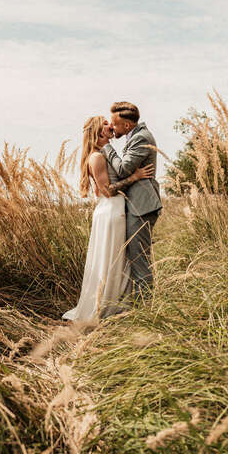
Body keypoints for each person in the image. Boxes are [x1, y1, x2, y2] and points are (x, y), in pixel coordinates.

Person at [62, 115, 153, 322]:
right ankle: (106, 307)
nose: (110, 125)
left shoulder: (104, 153)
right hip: (111, 212)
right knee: (111, 260)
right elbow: (108, 191)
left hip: (115, 211)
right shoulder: (96, 157)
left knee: (117, 259)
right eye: (105, 124)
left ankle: (119, 303)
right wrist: (135, 177)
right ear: (98, 132)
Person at [101, 101, 162, 304]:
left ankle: (145, 308)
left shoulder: (141, 137)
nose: (111, 127)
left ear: (126, 126)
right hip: (136, 205)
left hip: (142, 206)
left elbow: (124, 169)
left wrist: (107, 146)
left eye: (114, 123)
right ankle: (138, 303)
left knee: (139, 259)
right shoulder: (135, 136)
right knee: (135, 258)